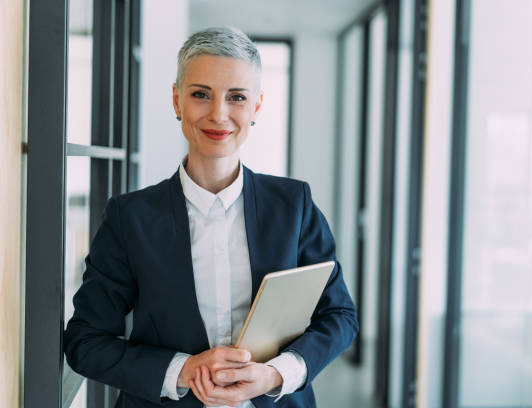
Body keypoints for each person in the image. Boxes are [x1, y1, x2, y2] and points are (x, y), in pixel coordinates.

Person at [64, 27, 358, 408]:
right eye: (201, 94)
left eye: (236, 97)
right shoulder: (129, 218)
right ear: (177, 100)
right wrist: (183, 371)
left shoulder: (294, 204)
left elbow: (339, 315)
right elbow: (85, 342)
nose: (219, 114)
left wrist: (276, 373)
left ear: (256, 107)